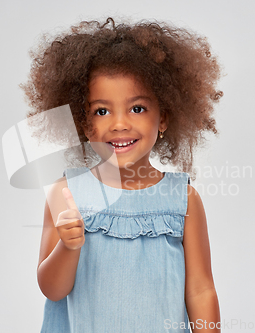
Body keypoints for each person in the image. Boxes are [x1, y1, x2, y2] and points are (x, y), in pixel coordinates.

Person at [21, 17, 223, 332]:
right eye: (102, 111)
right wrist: (68, 246)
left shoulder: (183, 199)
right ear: (85, 124)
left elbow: (200, 289)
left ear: (164, 117)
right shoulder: (66, 192)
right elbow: (52, 289)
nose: (119, 124)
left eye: (137, 108)